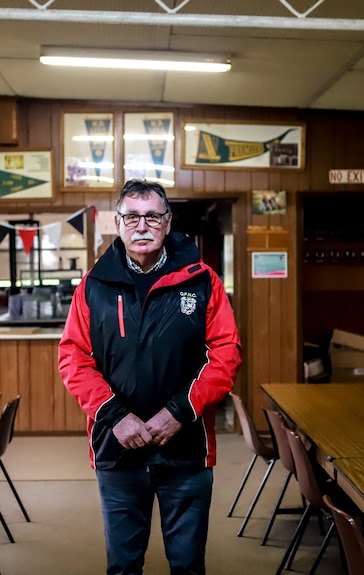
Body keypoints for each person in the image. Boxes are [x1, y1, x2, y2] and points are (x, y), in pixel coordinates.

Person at [58, 179, 242, 575]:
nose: (142, 226)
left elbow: (225, 355)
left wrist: (178, 412)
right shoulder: (93, 286)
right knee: (123, 567)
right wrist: (115, 417)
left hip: (187, 449)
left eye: (152, 217)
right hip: (117, 449)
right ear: (118, 222)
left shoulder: (203, 280)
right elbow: (73, 358)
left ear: (167, 221)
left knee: (188, 565)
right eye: (132, 217)